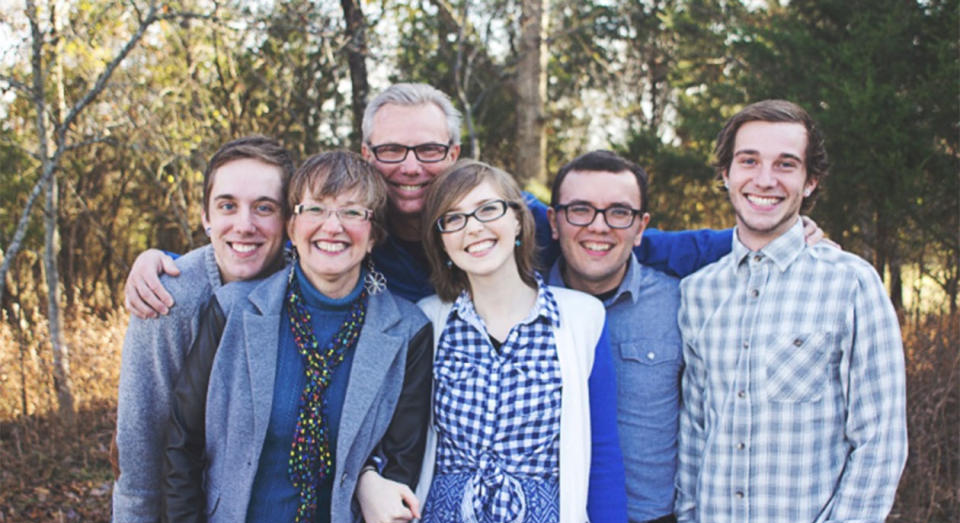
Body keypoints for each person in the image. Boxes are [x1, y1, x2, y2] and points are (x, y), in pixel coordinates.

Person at [122, 83, 735, 313]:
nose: (410, 168)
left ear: (455, 151)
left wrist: (750, 238)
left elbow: (619, 237)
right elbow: (257, 241)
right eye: (391, 151)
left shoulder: (499, 216)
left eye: (429, 151)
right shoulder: (347, 225)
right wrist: (166, 263)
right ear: (367, 154)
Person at [161, 150, 433, 523]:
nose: (332, 226)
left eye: (353, 213)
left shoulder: (408, 333)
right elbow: (182, 446)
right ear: (291, 227)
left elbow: (399, 472)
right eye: (315, 209)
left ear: (374, 234)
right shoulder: (233, 311)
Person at [675, 100, 907, 523]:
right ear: (725, 173)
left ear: (810, 180)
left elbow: (880, 445)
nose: (765, 180)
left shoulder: (852, 284)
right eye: (749, 161)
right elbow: (695, 438)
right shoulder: (698, 293)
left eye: (786, 164)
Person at [409, 160, 629, 523]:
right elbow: (396, 438)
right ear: (441, 241)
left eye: (488, 209)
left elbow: (603, 457)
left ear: (517, 221)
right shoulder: (428, 319)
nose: (473, 227)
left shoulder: (581, 318)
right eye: (454, 219)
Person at [112, 135, 294, 523]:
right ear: (205, 217)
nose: (244, 224)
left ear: (288, 220)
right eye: (227, 206)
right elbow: (141, 442)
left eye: (264, 208)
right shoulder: (169, 300)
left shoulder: (308, 284)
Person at [546, 150, 681, 523]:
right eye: (580, 210)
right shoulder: (520, 306)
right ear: (554, 222)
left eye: (619, 213)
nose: (599, 227)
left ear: (641, 228)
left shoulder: (680, 305)